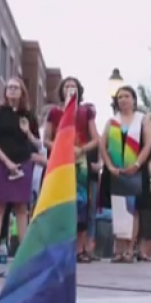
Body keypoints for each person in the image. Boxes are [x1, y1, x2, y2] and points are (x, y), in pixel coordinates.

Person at [44, 77, 99, 263]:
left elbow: (96, 139)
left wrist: (81, 149)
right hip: (60, 161)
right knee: (59, 203)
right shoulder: (54, 112)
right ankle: (60, 248)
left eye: (73, 85)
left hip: (80, 161)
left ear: (79, 90)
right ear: (61, 90)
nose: (70, 88)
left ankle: (80, 249)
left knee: (81, 205)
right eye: (67, 85)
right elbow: (46, 139)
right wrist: (61, 147)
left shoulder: (86, 112)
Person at [98, 86, 151, 263]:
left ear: (134, 100)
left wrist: (137, 164)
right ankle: (119, 248)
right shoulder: (112, 121)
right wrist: (109, 165)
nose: (123, 99)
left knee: (133, 209)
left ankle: (130, 248)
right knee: (119, 208)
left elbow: (148, 144)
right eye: (120, 97)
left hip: (136, 169)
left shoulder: (142, 119)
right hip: (116, 170)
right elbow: (103, 145)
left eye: (126, 96)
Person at [0, 78, 41, 260]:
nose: (12, 90)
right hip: (2, 163)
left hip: (23, 163)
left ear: (22, 92)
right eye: (9, 87)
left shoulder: (29, 116)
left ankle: (23, 249)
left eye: (16, 88)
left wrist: (27, 132)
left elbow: (38, 145)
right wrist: (7, 163)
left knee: (21, 207)